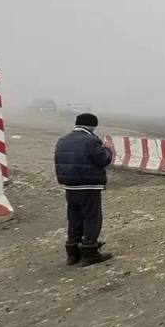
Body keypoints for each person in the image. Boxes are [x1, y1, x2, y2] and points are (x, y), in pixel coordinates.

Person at [54, 113, 113, 266]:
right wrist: (108, 150)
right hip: (88, 185)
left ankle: (72, 252)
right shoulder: (92, 141)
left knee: (74, 217)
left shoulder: (63, 140)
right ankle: (89, 251)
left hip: (70, 186)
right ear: (92, 126)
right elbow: (103, 159)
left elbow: (58, 161)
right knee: (92, 217)